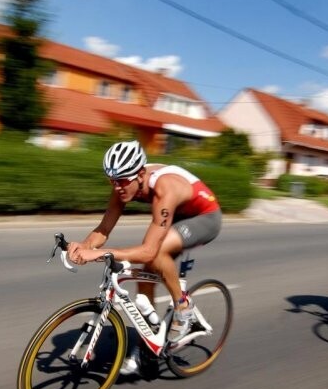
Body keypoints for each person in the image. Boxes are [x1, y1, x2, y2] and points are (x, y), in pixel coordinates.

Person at [68, 140, 222, 375]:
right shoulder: (124, 182)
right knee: (145, 279)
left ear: (140, 174)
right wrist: (84, 246)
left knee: (155, 253)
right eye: (112, 181)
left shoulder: (164, 187)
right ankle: (148, 346)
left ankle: (183, 306)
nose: (117, 187)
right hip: (174, 215)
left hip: (205, 217)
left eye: (121, 181)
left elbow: (149, 250)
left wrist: (99, 253)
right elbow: (104, 229)